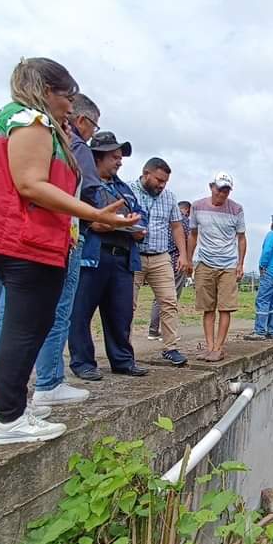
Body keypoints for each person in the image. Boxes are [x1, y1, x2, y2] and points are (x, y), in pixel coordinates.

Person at [0, 57, 139, 445]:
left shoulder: (10, 119)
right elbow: (32, 184)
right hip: (25, 239)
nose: (70, 106)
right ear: (49, 91)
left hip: (11, 236)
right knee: (25, 328)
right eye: (68, 97)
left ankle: (5, 408)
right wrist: (94, 214)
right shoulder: (31, 121)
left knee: (20, 325)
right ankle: (10, 419)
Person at [0, 94, 103, 409]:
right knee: (40, 316)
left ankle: (6, 392)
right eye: (66, 102)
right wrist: (98, 214)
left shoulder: (23, 130)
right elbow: (72, 190)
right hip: (49, 236)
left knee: (18, 316)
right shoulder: (55, 137)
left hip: (37, 234)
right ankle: (31, 391)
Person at [69, 131, 148, 380]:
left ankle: (123, 360)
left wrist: (135, 228)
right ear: (98, 157)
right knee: (81, 312)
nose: (119, 162)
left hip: (122, 257)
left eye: (120, 157)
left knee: (121, 314)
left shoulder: (124, 189)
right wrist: (94, 223)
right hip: (92, 256)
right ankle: (83, 362)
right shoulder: (84, 187)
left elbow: (140, 216)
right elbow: (78, 216)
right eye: (114, 157)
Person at [129, 158, 190, 366]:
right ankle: (124, 349)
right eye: (159, 180)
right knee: (128, 305)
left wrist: (183, 254)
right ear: (146, 174)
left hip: (160, 256)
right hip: (134, 254)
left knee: (169, 302)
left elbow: (176, 227)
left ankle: (170, 347)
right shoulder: (128, 191)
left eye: (165, 181)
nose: (162, 185)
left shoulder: (169, 197)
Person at [187, 172, 246, 362]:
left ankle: (219, 347)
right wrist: (188, 259)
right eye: (219, 189)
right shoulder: (197, 206)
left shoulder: (236, 209)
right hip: (205, 261)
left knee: (225, 308)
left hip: (228, 264)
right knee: (207, 307)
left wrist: (240, 263)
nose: (222, 194)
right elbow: (193, 235)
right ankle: (210, 346)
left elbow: (241, 238)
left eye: (226, 190)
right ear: (211, 187)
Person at [149, 200, 191, 338]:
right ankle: (167, 333)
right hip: (178, 261)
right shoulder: (184, 222)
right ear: (187, 210)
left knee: (158, 297)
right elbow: (189, 241)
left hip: (160, 260)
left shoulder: (165, 220)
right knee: (171, 299)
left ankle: (153, 330)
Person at [244, 215, 273, 340]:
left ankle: (259, 331)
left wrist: (262, 265)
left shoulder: (272, 235)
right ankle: (272, 331)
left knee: (262, 300)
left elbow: (267, 251)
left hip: (269, 273)